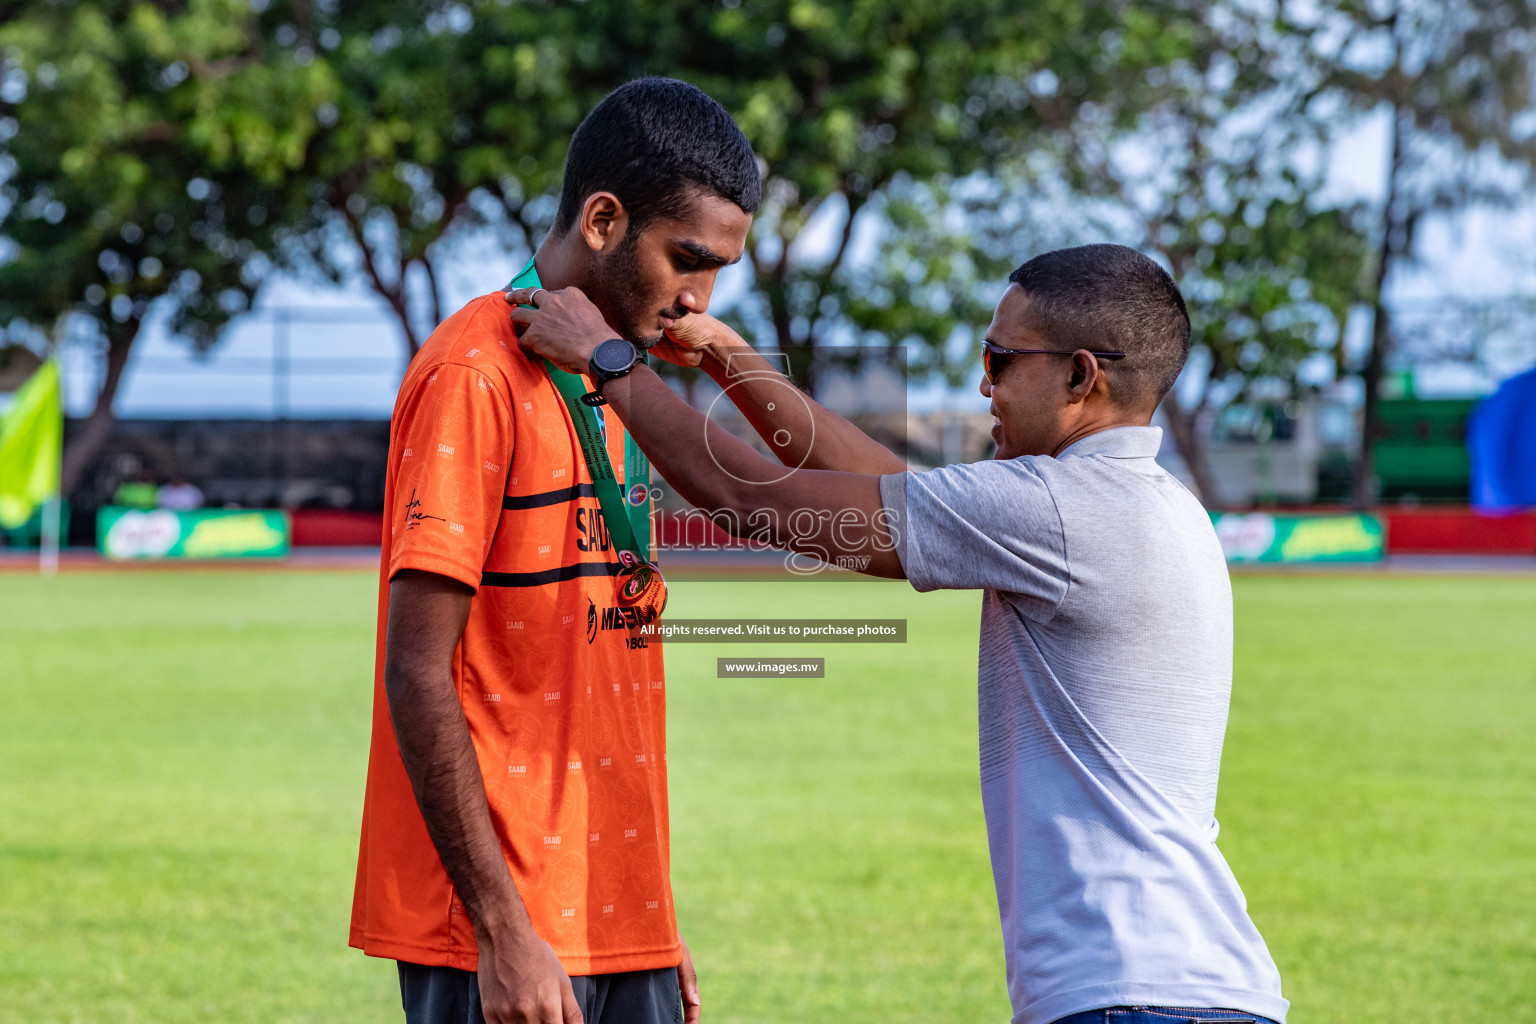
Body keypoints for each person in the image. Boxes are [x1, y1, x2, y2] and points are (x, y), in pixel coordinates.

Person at [507, 243, 1290, 1024]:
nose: (984, 382)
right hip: (1202, 988)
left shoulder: (1056, 507)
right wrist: (726, 355)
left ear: (1082, 376)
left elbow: (746, 499)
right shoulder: (1154, 504)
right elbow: (879, 485)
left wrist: (608, 362)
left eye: (1000, 357)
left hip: (1131, 998)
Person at [352, 77, 759, 1024]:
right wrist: (501, 929)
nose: (700, 298)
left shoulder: (610, 375)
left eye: (720, 271)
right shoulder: (473, 373)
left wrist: (648, 913)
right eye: (688, 260)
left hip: (617, 915)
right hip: (507, 935)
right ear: (605, 220)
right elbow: (417, 672)